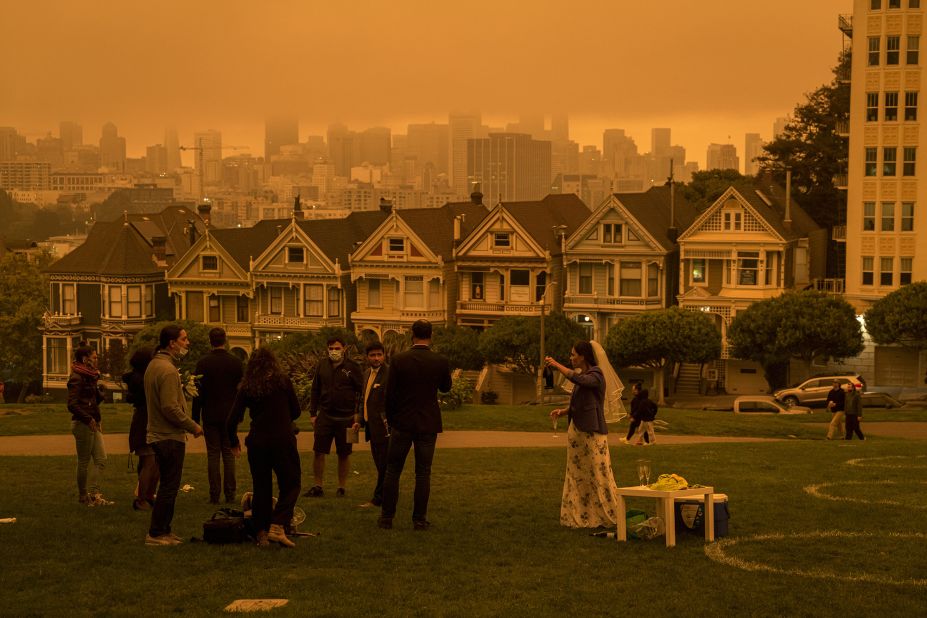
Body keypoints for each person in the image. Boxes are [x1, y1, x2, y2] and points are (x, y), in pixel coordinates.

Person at [378, 320, 452, 531]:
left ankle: (387, 517)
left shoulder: (399, 360)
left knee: (393, 470)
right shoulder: (439, 360)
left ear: (412, 335)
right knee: (423, 472)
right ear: (430, 335)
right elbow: (446, 387)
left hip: (402, 421)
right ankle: (419, 518)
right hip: (427, 422)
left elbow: (390, 394)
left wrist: (391, 421)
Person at [227, 347, 301, 548]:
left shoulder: (247, 387)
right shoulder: (282, 382)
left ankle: (261, 531)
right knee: (291, 483)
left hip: (258, 440)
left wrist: (233, 441)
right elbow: (296, 411)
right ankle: (278, 524)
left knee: (262, 486)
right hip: (282, 439)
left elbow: (232, 419)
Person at [545, 340, 621, 529]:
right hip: (578, 432)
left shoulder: (596, 374)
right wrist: (564, 411)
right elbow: (581, 403)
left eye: (573, 355)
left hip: (592, 432)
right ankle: (581, 514)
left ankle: (605, 514)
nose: (571, 358)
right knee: (578, 474)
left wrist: (556, 365)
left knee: (598, 472)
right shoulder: (583, 375)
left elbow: (581, 381)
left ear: (583, 356)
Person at [144, 325, 204, 546]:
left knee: (168, 485)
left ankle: (164, 531)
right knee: (169, 487)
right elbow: (170, 407)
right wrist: (193, 426)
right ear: (172, 342)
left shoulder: (154, 365)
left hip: (159, 435)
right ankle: (157, 533)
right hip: (168, 436)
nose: (187, 343)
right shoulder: (167, 370)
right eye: (184, 339)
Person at [305, 336, 363, 498]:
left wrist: (358, 416)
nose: (334, 351)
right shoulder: (322, 365)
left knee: (345, 453)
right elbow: (315, 390)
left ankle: (342, 487)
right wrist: (312, 414)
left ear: (344, 349)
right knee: (318, 451)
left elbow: (362, 392)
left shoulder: (353, 367)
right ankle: (318, 486)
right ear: (327, 349)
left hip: (348, 419)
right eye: (331, 348)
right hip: (325, 416)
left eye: (337, 348)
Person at [192, 327, 244, 505]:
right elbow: (241, 392)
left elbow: (197, 393)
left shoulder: (203, 363)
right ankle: (230, 494)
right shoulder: (236, 363)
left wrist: (194, 418)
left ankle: (214, 494)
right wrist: (240, 414)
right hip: (230, 414)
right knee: (229, 454)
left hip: (210, 413)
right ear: (225, 340)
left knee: (213, 454)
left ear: (210, 341)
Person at [67, 346, 112, 506]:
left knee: (101, 459)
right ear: (85, 359)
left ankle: (94, 494)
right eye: (94, 357)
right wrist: (88, 419)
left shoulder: (90, 376)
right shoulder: (77, 377)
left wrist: (98, 388)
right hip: (83, 423)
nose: (96, 359)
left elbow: (93, 401)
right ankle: (83, 496)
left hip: (93, 421)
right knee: (84, 461)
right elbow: (72, 404)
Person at [122, 347, 159, 511]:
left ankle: (148, 495)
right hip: (145, 422)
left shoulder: (137, 378)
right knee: (150, 461)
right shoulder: (142, 380)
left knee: (149, 461)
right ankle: (142, 498)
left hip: (143, 421)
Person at [357, 341, 389, 508]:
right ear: (367, 357)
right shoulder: (367, 373)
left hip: (384, 428)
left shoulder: (389, 374)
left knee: (384, 465)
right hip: (371, 427)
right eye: (372, 355)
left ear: (384, 355)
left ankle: (378, 499)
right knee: (380, 464)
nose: (376, 358)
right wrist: (359, 420)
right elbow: (364, 398)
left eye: (379, 354)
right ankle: (386, 495)